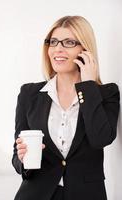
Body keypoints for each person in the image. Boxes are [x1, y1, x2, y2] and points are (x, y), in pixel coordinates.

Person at [12, 15, 120, 200]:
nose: (58, 49)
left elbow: (101, 138)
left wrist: (87, 85)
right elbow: (17, 156)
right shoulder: (29, 94)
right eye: (53, 42)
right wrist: (22, 159)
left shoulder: (106, 93)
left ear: (85, 49)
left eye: (69, 42)